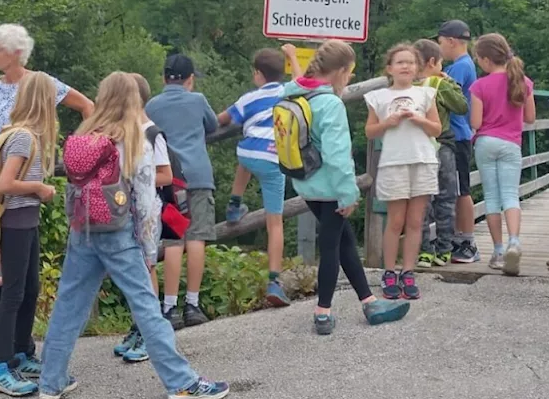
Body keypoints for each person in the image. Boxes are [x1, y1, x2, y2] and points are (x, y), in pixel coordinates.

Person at [37, 72, 230, 399]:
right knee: (145, 306)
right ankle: (181, 382)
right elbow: (144, 196)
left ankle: (50, 381)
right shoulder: (133, 137)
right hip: (118, 230)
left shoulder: (86, 133)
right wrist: (146, 245)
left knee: (68, 304)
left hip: (83, 228)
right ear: (133, 100)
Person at [284, 40, 410, 334]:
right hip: (330, 188)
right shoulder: (330, 104)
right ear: (339, 70)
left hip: (305, 182)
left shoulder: (295, 93)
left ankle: (369, 301)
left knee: (344, 241)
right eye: (349, 71)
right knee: (330, 247)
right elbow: (338, 156)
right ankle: (323, 312)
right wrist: (348, 194)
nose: (350, 77)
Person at [0, 72, 59, 397]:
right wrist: (39, 188)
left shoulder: (31, 136)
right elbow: (5, 185)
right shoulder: (21, 138)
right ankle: (2, 365)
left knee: (31, 289)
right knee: (13, 293)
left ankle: (22, 350)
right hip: (15, 221)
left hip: (27, 221)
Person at [145, 53, 218, 329]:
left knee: (174, 241)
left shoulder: (152, 105)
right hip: (199, 175)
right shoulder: (197, 101)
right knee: (197, 238)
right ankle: (193, 304)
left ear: (164, 78)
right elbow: (212, 125)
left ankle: (169, 307)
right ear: (191, 79)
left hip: (170, 179)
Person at [365, 44, 442, 301]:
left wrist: (419, 120)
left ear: (417, 67)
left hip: (422, 160)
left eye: (410, 62)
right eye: (400, 62)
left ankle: (408, 272)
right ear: (390, 68)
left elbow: (436, 129)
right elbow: (370, 131)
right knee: (395, 221)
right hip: (393, 162)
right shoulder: (379, 97)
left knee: (415, 221)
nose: (406, 66)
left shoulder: (426, 94)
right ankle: (389, 272)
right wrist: (389, 122)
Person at [218, 47, 291, 307]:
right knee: (275, 223)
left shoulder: (248, 98)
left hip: (248, 153)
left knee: (245, 159)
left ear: (258, 74)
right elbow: (306, 82)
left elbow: (223, 119)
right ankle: (274, 281)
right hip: (274, 160)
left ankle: (233, 206)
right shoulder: (289, 91)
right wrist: (293, 56)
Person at [112, 73, 175, 364]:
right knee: (133, 268)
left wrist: (131, 178)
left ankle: (149, 331)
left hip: (147, 210)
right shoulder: (123, 131)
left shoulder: (151, 133)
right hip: (126, 208)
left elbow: (166, 174)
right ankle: (138, 326)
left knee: (146, 266)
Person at [470, 33, 535, 276]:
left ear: (487, 60)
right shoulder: (523, 82)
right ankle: (514, 243)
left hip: (486, 142)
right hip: (511, 144)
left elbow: (475, 121)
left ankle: (497, 251)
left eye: (478, 59)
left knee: (491, 198)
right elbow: (530, 118)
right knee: (510, 195)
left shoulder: (479, 86)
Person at [0, 23, 94, 136]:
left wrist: (88, 144)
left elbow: (87, 105)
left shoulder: (40, 83)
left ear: (16, 52)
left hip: (26, 165)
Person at [411, 39, 468, 270]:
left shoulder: (406, 85)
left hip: (416, 147)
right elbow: (461, 106)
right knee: (445, 199)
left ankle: (424, 251)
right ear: (433, 62)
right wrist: (451, 82)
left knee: (421, 201)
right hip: (442, 145)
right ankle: (443, 250)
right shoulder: (439, 83)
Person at [436, 20, 479, 263]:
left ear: (451, 41)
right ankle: (457, 238)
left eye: (440, 43)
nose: (440, 48)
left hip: (458, 134)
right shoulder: (463, 65)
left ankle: (467, 242)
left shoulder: (460, 68)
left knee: (462, 190)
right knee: (457, 188)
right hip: (459, 135)